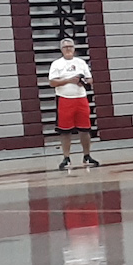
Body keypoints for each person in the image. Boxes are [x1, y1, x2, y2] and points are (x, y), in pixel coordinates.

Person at [47, 37, 101, 170]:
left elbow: (90, 79)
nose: (68, 49)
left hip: (80, 98)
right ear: (61, 49)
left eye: (70, 46)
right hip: (64, 98)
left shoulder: (81, 63)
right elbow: (52, 82)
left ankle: (87, 155)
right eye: (66, 47)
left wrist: (82, 81)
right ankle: (66, 157)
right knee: (65, 130)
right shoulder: (57, 64)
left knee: (85, 129)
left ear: (74, 48)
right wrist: (69, 80)